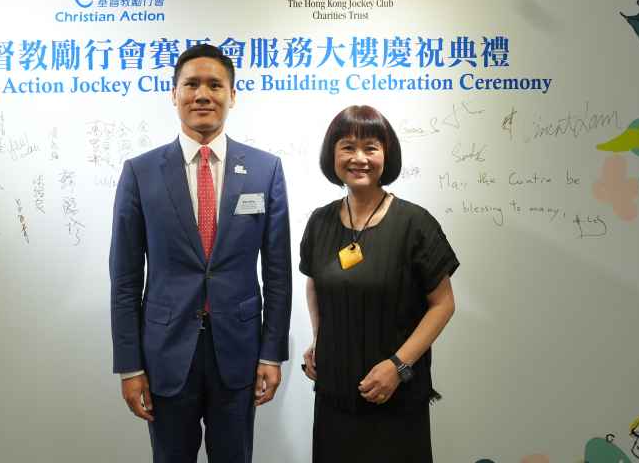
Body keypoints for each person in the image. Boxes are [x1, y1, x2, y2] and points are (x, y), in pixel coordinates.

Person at [109, 43, 292, 463]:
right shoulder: (140, 172)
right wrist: (130, 365)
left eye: (215, 85)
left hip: (239, 351)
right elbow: (125, 279)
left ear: (232, 95)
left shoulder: (265, 170)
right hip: (166, 352)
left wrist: (271, 352)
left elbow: (278, 274)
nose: (202, 95)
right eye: (191, 85)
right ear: (174, 94)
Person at [300, 105, 458, 463]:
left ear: (387, 155)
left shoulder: (415, 224)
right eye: (347, 147)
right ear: (332, 155)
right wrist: (319, 338)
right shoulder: (320, 222)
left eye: (370, 147)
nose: (359, 158)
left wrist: (398, 366)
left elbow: (443, 304)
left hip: (395, 396)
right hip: (335, 395)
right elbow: (315, 284)